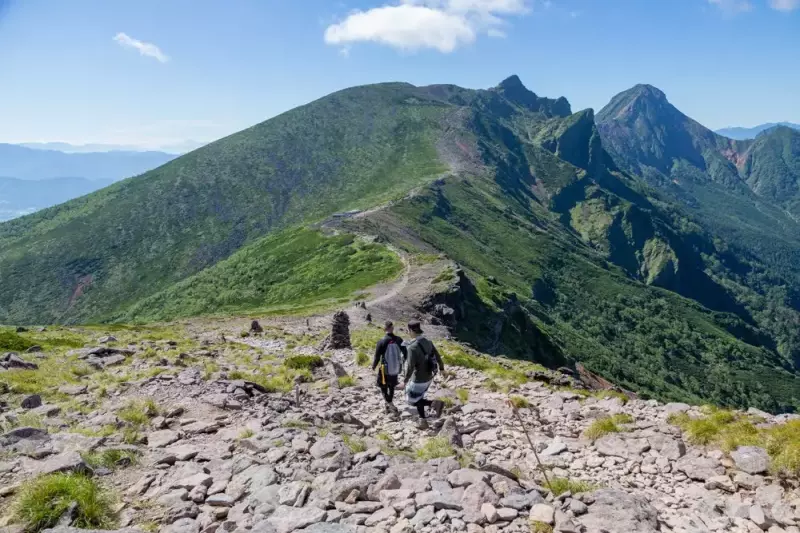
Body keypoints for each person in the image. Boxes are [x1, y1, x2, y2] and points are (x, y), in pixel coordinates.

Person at [404, 320, 445, 428]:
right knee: (419, 397)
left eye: (407, 330)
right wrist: (442, 368)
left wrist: (404, 381)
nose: (407, 331)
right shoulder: (428, 342)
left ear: (411, 330)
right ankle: (423, 421)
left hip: (418, 378)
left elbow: (410, 366)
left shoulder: (412, 347)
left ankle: (434, 403)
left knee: (411, 399)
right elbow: (437, 356)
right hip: (429, 376)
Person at [372, 321, 407, 412]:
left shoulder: (381, 341)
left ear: (385, 328)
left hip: (384, 368)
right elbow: (406, 353)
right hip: (395, 368)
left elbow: (377, 356)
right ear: (392, 328)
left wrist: (373, 367)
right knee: (391, 385)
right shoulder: (399, 340)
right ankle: (388, 404)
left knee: (383, 385)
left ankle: (389, 403)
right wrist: (404, 363)